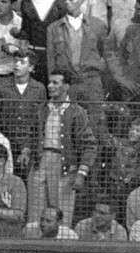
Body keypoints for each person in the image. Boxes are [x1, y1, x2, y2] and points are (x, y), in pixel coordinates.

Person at [24, 68, 97, 229]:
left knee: (62, 213)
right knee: (35, 213)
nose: (50, 86)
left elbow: (89, 145)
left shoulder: (77, 112)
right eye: (49, 82)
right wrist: (26, 150)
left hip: (64, 165)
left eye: (55, 82)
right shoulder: (41, 109)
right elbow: (31, 134)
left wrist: (81, 173)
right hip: (39, 161)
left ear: (66, 86)